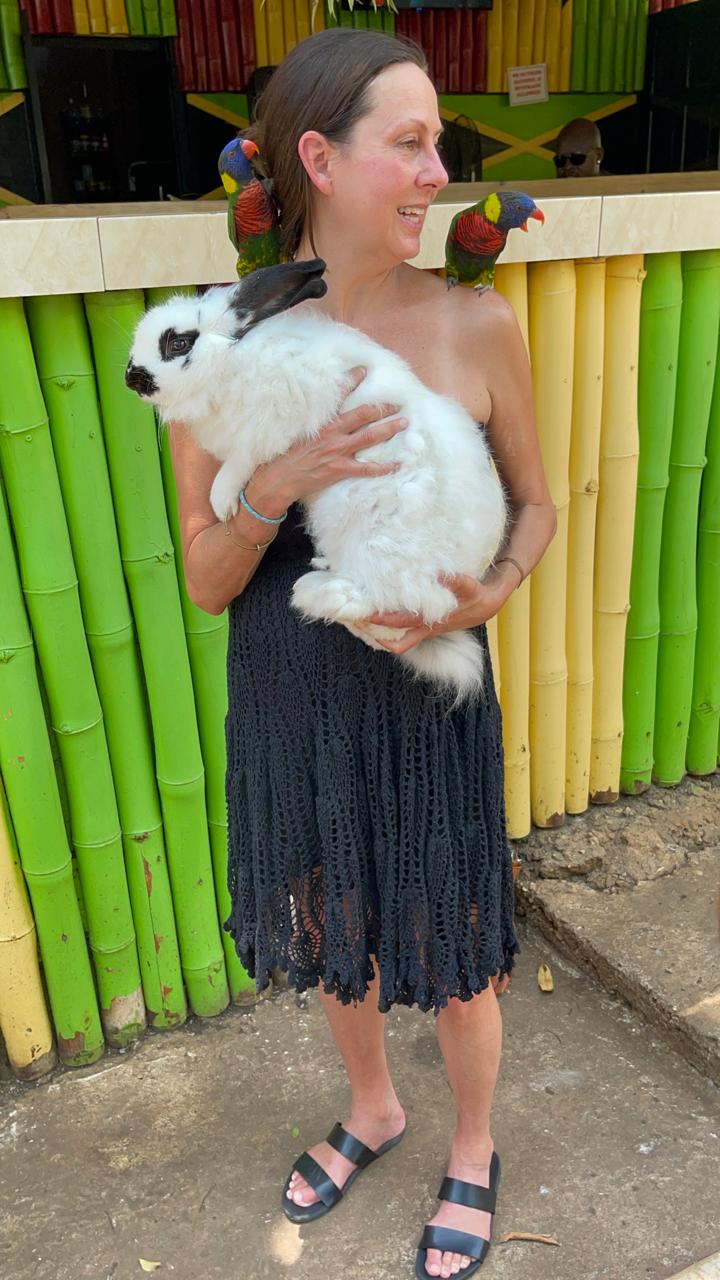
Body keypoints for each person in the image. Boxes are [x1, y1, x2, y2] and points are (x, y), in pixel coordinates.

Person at [168, 28, 555, 1280]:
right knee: (334, 920)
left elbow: (537, 503)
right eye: (412, 143)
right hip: (292, 694)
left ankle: (476, 1144)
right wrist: (277, 481)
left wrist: (484, 594)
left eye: (438, 142)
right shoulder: (217, 343)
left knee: (449, 939)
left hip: (429, 695)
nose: (439, 170)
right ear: (322, 160)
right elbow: (211, 581)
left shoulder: (477, 323)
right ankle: (376, 1109)